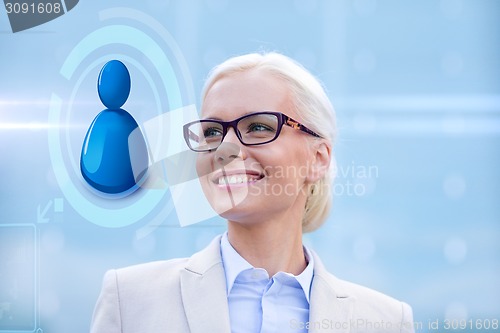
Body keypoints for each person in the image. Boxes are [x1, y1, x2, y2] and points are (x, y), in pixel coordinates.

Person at [90, 52, 414, 333]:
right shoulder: (130, 300)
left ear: (318, 159)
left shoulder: (384, 322)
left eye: (258, 127)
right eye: (212, 132)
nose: (227, 149)